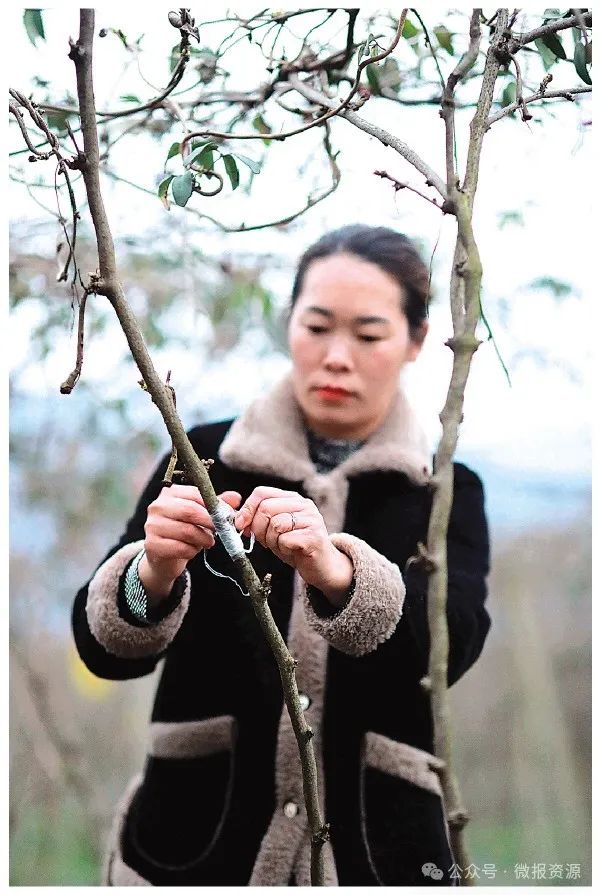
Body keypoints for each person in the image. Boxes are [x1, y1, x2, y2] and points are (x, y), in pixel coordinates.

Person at [72, 224, 491, 887]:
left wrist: (337, 573)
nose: (335, 356)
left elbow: (450, 649)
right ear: (289, 324)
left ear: (415, 341)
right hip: (196, 846)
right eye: (316, 325)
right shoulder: (202, 459)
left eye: (369, 334)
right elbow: (103, 649)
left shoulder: (444, 492)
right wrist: (150, 573)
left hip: (379, 854)